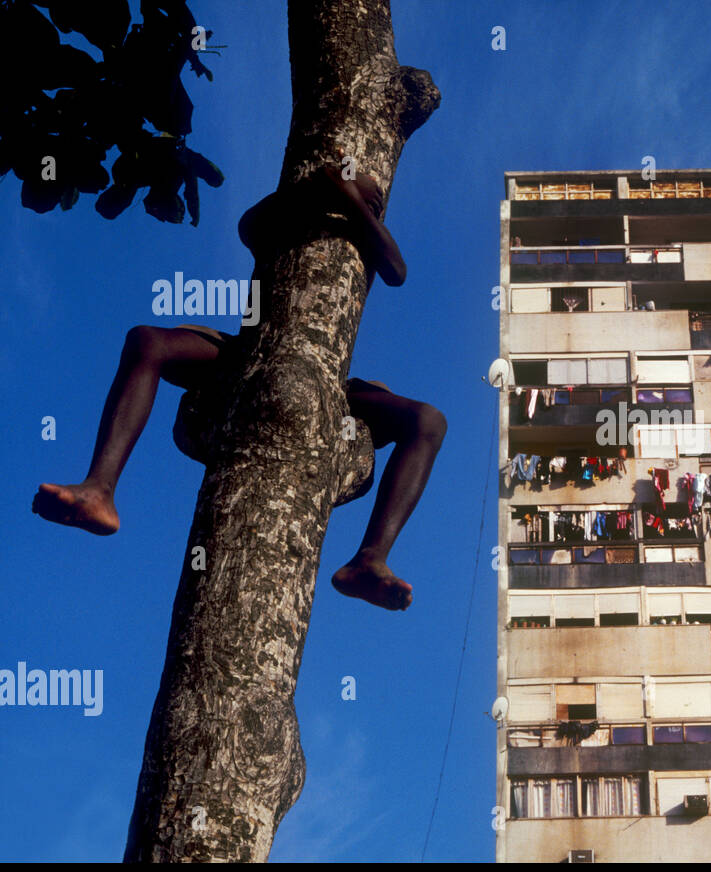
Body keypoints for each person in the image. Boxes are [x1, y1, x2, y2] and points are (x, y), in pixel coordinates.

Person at [32, 162, 445, 611]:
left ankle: (369, 559)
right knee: (147, 341)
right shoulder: (283, 219)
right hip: (247, 350)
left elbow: (397, 270)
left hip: (330, 380)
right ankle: (99, 489)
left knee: (427, 420)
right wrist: (321, 190)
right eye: (351, 191)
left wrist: (354, 205)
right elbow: (250, 226)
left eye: (371, 202)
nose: (360, 202)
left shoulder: (367, 239)